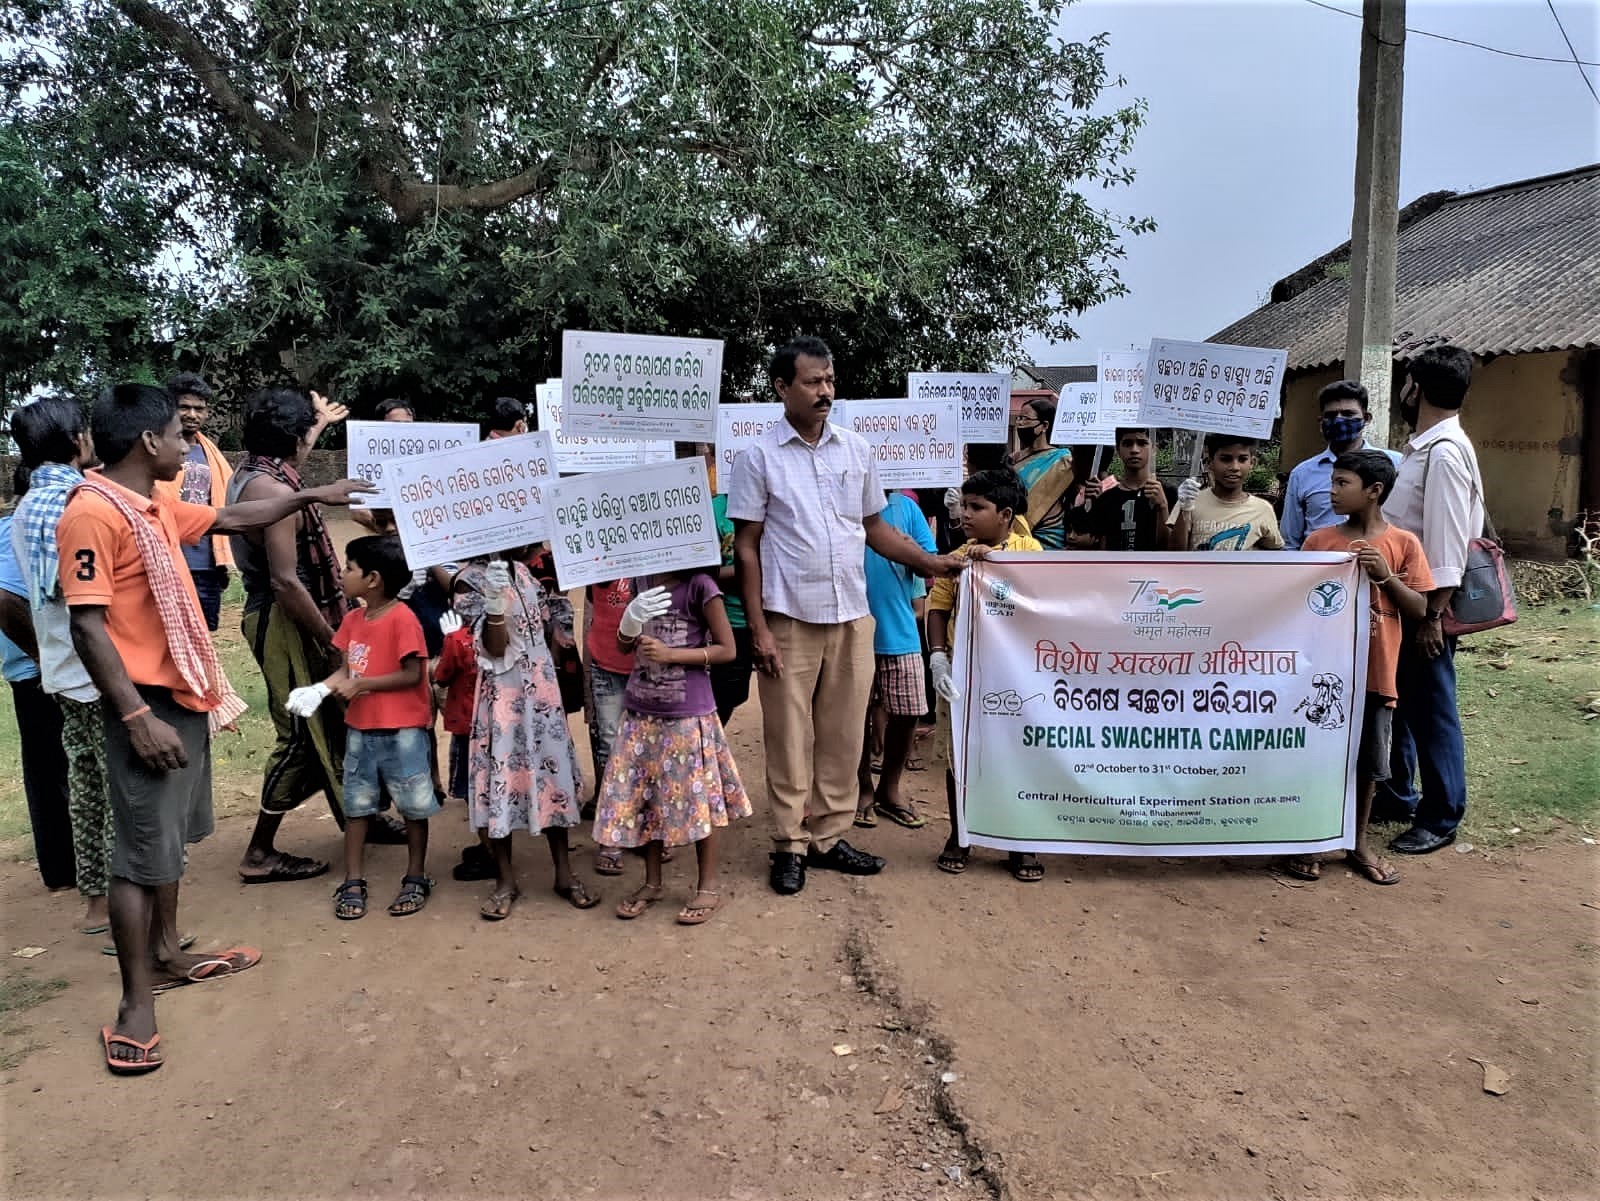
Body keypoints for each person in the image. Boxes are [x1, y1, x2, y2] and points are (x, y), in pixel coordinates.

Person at [58, 383, 371, 1074]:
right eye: (178, 435)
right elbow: (86, 624)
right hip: (145, 702)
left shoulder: (154, 503)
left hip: (183, 693)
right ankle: (135, 1004)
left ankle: (169, 952)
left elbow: (231, 518)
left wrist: (313, 496)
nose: (188, 445)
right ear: (147, 443)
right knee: (138, 854)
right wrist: (136, 717)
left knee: (166, 842)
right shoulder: (93, 514)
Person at [729, 336, 965, 896]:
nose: (825, 391)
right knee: (789, 735)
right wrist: (759, 628)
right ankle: (789, 842)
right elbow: (746, 547)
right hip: (788, 619)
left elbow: (877, 530)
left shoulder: (856, 450)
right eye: (812, 382)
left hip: (853, 618)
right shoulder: (757, 457)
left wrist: (935, 562)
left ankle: (829, 837)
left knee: (843, 735)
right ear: (782, 387)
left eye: (830, 380)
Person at [229, 389, 370, 884]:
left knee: (332, 719)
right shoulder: (273, 495)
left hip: (284, 616)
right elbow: (286, 581)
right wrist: (333, 638)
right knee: (301, 734)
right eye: (304, 431)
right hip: (284, 621)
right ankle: (259, 851)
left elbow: (298, 452)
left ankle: (362, 818)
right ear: (289, 438)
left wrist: (319, 425)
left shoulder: (258, 471)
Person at [1290, 450, 1433, 885]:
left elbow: (1420, 607)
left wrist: (1386, 576)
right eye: (1331, 482)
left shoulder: (1403, 544)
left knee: (1370, 762)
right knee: (1321, 757)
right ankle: (1313, 839)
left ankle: (1358, 841)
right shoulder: (1319, 543)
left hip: (1375, 672)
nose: (1331, 492)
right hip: (1325, 675)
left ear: (1373, 491)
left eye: (1341, 484)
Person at [287, 536, 439, 919]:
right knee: (357, 804)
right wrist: (321, 689)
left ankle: (416, 874)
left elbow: (412, 674)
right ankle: (353, 879)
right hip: (361, 728)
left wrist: (363, 685)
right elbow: (348, 669)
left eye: (349, 567)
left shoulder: (403, 619)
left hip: (403, 730)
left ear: (373, 579)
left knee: (412, 806)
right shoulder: (353, 620)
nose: (341, 572)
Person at [594, 572, 752, 925]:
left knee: (699, 800)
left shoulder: (701, 586)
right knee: (646, 797)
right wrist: (630, 622)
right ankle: (652, 882)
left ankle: (707, 885)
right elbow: (623, 647)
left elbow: (728, 649)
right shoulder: (642, 580)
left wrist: (671, 654)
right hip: (642, 709)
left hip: (687, 713)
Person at [1379, 345, 1486, 855]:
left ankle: (1441, 815)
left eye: (1406, 383)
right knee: (1400, 703)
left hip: (1424, 606)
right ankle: (1399, 792)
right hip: (1406, 602)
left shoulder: (1443, 454)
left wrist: (1433, 619)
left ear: (1416, 389)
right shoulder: (1427, 447)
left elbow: (1446, 547)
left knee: (1432, 710)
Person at [453, 557, 597, 918]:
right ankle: (505, 880)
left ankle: (564, 873)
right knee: (501, 776)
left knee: (552, 779)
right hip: (502, 695)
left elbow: (548, 632)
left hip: (540, 692)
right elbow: (496, 648)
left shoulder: (524, 571)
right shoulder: (468, 581)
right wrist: (494, 603)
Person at [11, 400, 108, 923]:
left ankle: (96, 903)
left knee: (88, 787)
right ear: (76, 440)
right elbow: (77, 596)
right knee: (115, 792)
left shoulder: (30, 502)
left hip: (64, 671)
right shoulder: (67, 501)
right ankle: (126, 910)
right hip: (95, 672)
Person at [928, 468, 1045, 882]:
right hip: (964, 676)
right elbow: (938, 607)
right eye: (964, 505)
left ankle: (1020, 840)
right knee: (960, 756)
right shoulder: (958, 557)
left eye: (977, 507)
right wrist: (938, 657)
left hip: (1016, 677)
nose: (965, 514)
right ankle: (961, 833)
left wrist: (996, 561)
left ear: (1006, 514)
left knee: (1018, 755)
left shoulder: (1031, 551)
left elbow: (1046, 600)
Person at [0, 464, 77, 897]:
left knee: (46, 767)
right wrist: (40, 655)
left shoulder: (9, 528)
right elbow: (5, 599)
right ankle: (65, 866)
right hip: (37, 672)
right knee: (57, 769)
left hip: (30, 667)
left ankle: (61, 864)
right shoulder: (20, 530)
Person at [855, 488, 936, 830]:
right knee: (854, 716)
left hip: (900, 628)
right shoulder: (846, 501)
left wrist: (908, 548)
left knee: (909, 710)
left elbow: (928, 564)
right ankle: (862, 788)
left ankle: (889, 788)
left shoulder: (906, 507)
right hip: (854, 627)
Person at [1280, 381, 1401, 550]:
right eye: (1330, 415)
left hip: (1383, 568)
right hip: (1319, 571)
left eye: (1348, 413)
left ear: (1366, 418)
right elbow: (1290, 543)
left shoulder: (1396, 465)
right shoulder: (1302, 474)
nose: (1338, 420)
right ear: (1321, 422)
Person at [158, 373, 235, 631]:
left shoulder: (211, 453)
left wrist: (221, 562)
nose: (192, 414)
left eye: (199, 408)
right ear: (171, 408)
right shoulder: (158, 451)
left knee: (204, 633)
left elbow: (223, 501)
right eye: (185, 407)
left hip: (207, 563)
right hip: (170, 560)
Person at [583, 576, 635, 870]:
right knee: (611, 749)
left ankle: (648, 829)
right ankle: (612, 833)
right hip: (606, 663)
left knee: (648, 750)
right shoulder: (597, 561)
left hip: (648, 663)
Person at [1168, 434, 1285, 551]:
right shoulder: (1190, 501)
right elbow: (1174, 553)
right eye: (1225, 459)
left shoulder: (1262, 509)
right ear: (1209, 463)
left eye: (1242, 459)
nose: (1235, 467)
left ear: (1252, 463)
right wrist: (1185, 508)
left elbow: (1274, 553)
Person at [709, 458, 754, 728]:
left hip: (772, 619)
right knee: (720, 702)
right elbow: (704, 574)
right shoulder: (714, 509)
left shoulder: (773, 502)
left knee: (737, 694)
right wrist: (750, 567)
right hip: (727, 622)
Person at [1084, 428, 1177, 551]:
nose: (1134, 450)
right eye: (1128, 444)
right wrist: (1090, 506)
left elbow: (1171, 548)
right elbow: (1095, 548)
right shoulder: (1106, 499)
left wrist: (1162, 507)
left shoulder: (1168, 493)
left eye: (1142, 443)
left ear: (1154, 448)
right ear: (1118, 450)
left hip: (1153, 569)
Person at [1009, 397, 1077, 549]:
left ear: (1044, 425)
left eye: (1025, 419)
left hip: (1049, 538)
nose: (1019, 423)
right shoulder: (1012, 460)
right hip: (1016, 540)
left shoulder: (1062, 459)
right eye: (1018, 418)